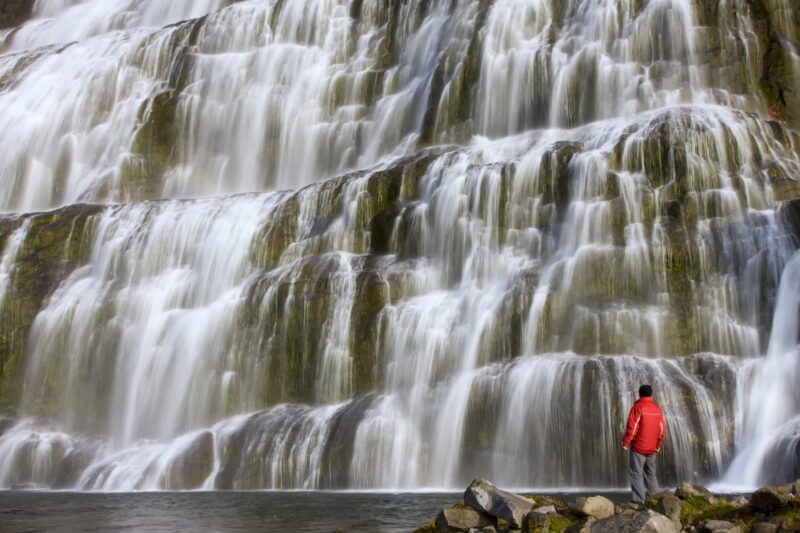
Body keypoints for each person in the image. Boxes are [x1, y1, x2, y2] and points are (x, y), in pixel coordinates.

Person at [621, 384, 666, 503]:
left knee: (636, 474)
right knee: (651, 474)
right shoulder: (657, 409)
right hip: (652, 448)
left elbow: (632, 427)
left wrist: (626, 442)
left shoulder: (637, 407)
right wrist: (658, 445)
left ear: (639, 394)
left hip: (638, 448)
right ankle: (656, 500)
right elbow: (662, 430)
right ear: (651, 394)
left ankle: (639, 501)